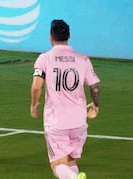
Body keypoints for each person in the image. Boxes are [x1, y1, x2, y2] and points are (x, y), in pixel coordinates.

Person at [30, 20, 100, 179]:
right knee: (70, 161)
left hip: (57, 121)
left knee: (57, 164)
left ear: (50, 37)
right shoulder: (83, 59)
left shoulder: (45, 59)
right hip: (79, 121)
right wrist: (95, 106)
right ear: (69, 36)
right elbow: (94, 85)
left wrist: (34, 105)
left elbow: (36, 86)